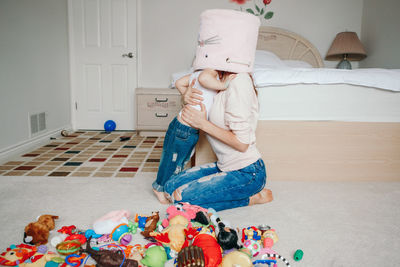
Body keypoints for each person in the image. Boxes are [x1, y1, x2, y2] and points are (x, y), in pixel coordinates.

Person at [153, 9, 273, 211]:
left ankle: (253, 198)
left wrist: (202, 124)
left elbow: (243, 144)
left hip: (247, 172)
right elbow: (198, 96)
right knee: (169, 187)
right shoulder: (217, 79)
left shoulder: (238, 83)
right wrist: (186, 96)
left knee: (180, 199)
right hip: (225, 165)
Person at [152, 68, 236, 204]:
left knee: (178, 161)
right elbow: (204, 78)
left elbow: (179, 82)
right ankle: (160, 187)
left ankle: (168, 185)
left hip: (184, 127)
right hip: (184, 129)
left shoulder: (198, 73)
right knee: (173, 163)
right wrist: (224, 85)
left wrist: (187, 94)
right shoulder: (210, 72)